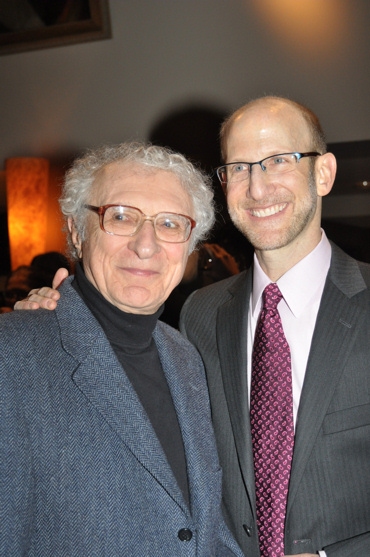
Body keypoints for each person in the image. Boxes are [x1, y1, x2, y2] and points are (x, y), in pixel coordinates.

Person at [16, 97, 370, 557]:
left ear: (323, 173)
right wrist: (48, 318)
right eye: (239, 167)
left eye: (279, 161)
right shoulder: (200, 315)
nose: (258, 188)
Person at [0, 142, 244, 557]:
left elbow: (202, 528)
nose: (145, 245)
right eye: (121, 217)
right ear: (77, 231)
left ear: (188, 246)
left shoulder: (186, 358)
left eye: (169, 224)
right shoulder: (13, 356)